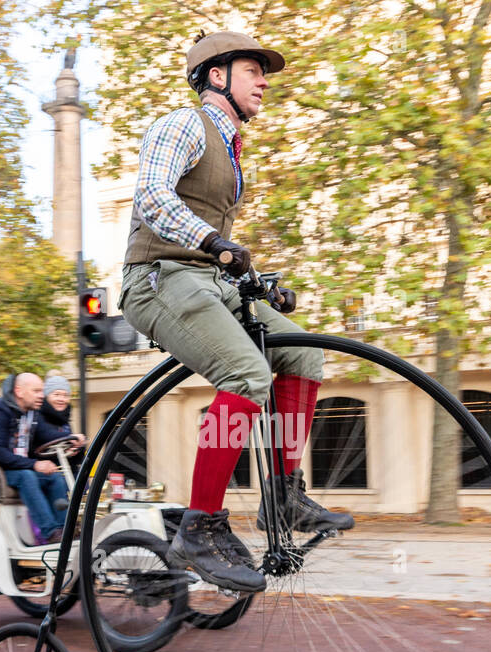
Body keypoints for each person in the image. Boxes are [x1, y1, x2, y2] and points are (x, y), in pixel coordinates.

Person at [118, 30, 353, 594]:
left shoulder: (229, 147)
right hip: (157, 282)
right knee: (246, 374)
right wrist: (213, 242)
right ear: (217, 75)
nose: (264, 81)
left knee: (303, 353)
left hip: (205, 282)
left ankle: (282, 496)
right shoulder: (182, 125)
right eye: (253, 70)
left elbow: (215, 245)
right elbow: (152, 196)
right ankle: (200, 527)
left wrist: (256, 282)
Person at [0, 373, 83, 545]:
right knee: (26, 476)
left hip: (13, 467)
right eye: (36, 391)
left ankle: (65, 531)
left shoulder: (31, 414)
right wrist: (35, 464)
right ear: (19, 392)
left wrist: (72, 439)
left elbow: (47, 436)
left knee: (54, 477)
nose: (41, 395)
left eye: (42, 391)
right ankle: (50, 532)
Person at [39, 373, 83, 475]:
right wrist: (71, 438)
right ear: (47, 396)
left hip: (66, 468)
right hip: (46, 470)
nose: (61, 399)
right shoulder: (38, 415)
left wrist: (75, 449)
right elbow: (46, 435)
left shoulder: (65, 419)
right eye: (56, 394)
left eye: (65, 395)